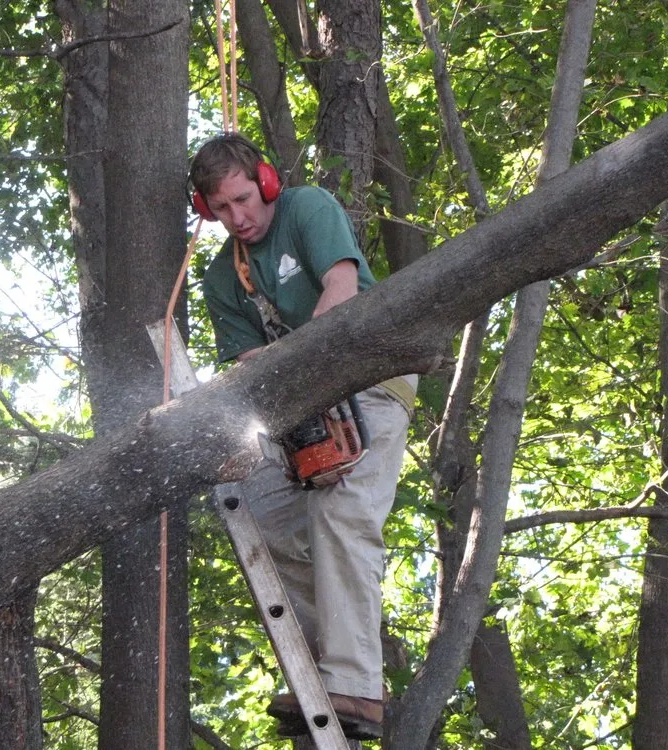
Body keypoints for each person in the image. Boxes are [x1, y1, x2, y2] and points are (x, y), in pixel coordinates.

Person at [188, 133, 417, 740]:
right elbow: (247, 366)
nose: (239, 218)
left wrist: (302, 372)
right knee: (262, 515)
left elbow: (341, 288)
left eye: (244, 199)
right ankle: (322, 675)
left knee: (342, 513)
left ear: (265, 182)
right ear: (206, 210)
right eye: (222, 209)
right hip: (296, 407)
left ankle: (358, 686)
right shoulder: (221, 279)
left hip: (368, 380)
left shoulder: (307, 208)